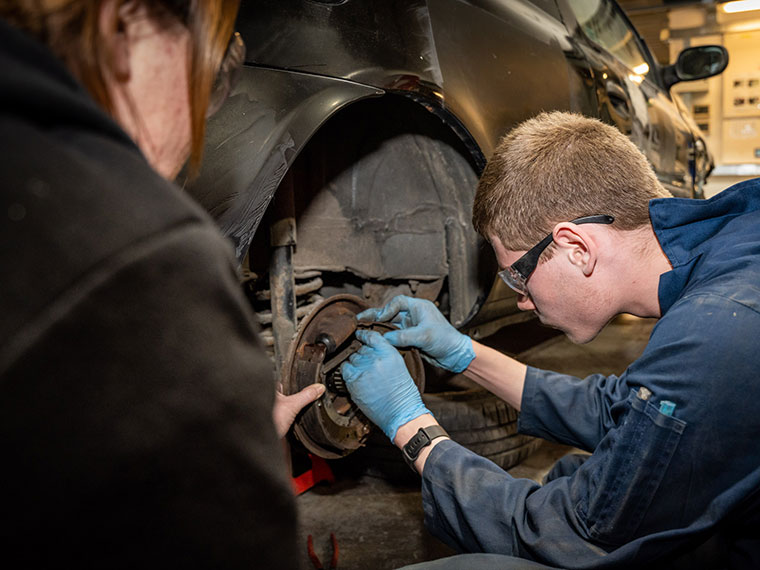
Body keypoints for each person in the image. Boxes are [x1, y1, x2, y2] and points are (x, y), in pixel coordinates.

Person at [341, 112, 760, 568]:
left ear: (576, 248)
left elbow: (572, 535)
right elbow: (625, 411)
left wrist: (409, 425)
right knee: (572, 471)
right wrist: (464, 353)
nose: (522, 300)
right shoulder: (732, 252)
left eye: (519, 274)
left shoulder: (717, 329)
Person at [0, 1, 322, 567]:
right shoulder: (141, 254)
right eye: (210, 68)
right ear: (120, 22)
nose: (203, 114)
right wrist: (234, 441)